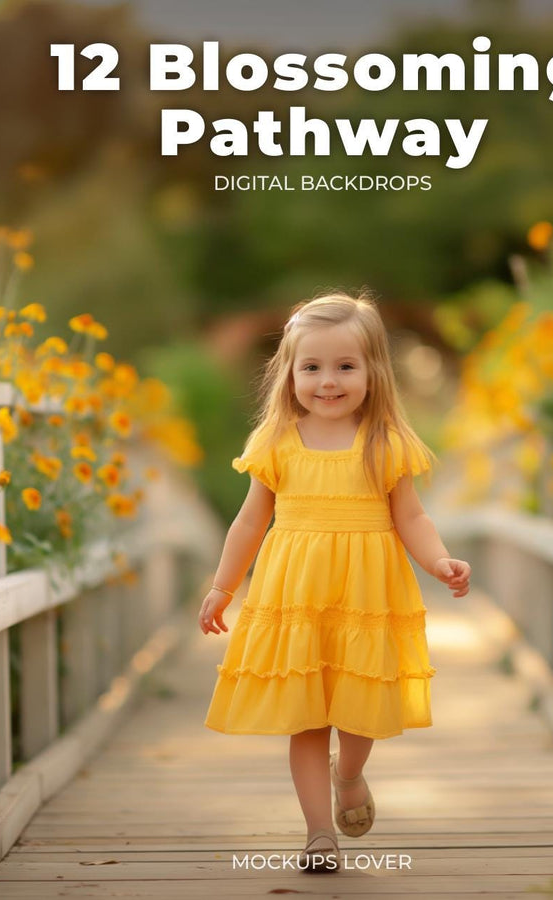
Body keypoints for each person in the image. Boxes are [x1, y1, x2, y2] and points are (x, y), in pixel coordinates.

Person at [199, 292, 471, 873]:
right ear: (290, 373)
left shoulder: (385, 443)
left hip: (367, 595)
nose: (328, 381)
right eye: (312, 367)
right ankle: (318, 833)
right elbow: (250, 521)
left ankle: (348, 774)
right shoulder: (276, 442)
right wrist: (223, 587)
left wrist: (440, 561)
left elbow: (412, 518)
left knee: (358, 706)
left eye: (346, 366)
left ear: (374, 372)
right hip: (295, 595)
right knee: (306, 715)